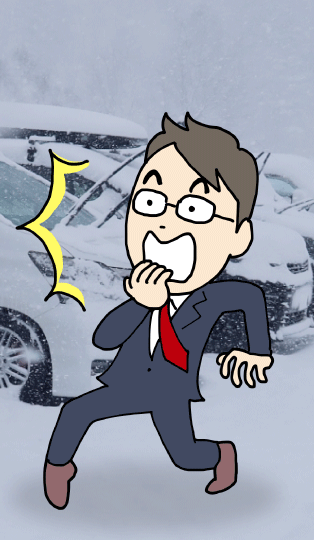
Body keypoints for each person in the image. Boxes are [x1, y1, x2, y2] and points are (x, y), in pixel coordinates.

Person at [43, 113, 275, 510]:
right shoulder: (143, 290)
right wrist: (141, 303)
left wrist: (257, 350)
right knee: (76, 411)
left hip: (171, 389)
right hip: (129, 382)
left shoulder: (212, 296)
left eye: (195, 209)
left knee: (186, 456)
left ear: (238, 236)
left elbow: (251, 298)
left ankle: (221, 455)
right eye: (150, 202)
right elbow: (104, 338)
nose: (165, 225)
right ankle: (58, 469)